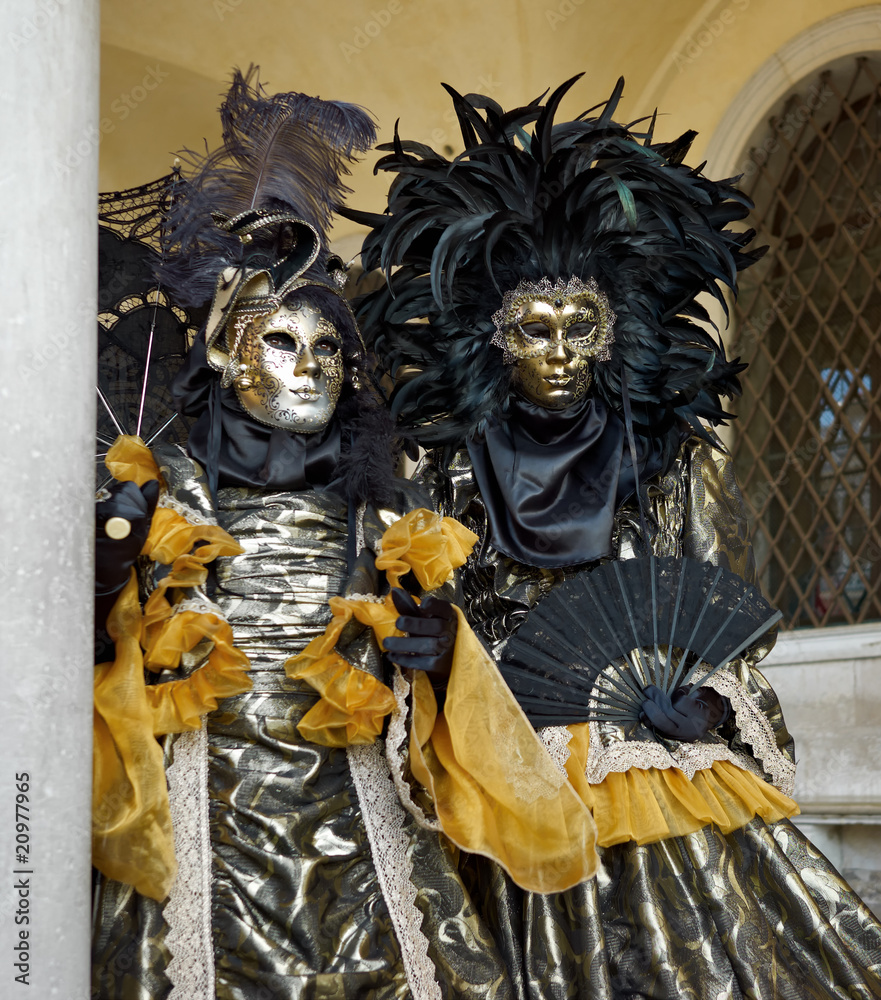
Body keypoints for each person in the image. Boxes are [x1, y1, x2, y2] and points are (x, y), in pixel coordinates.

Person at [346, 77, 881, 998]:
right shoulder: (447, 472)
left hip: (653, 766)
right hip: (505, 768)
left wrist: (707, 704)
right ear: (491, 339)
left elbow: (713, 613)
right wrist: (430, 658)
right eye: (532, 329)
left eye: (581, 327)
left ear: (615, 333)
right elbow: (424, 615)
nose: (559, 352)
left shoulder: (665, 466)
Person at [90, 69, 596, 1000]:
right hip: (204, 807)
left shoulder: (388, 516)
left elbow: (436, 690)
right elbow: (93, 675)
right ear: (227, 354)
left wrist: (438, 654)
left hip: (356, 810)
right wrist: (107, 582)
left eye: (331, 349)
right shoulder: (163, 497)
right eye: (283, 342)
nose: (312, 368)